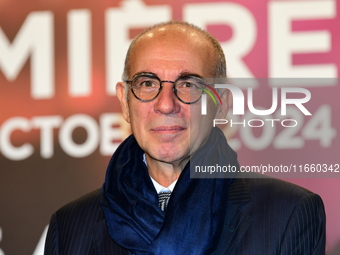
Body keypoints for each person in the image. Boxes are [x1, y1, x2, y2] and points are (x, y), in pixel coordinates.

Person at [44, 21, 326, 255]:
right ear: (124, 102)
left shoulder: (288, 212)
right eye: (147, 83)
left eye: (188, 85)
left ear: (222, 104)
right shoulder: (70, 226)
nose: (166, 104)